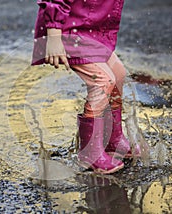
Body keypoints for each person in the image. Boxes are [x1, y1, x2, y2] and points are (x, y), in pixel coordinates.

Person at [32, 0, 141, 174]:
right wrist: (53, 36)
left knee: (118, 74)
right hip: (68, 32)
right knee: (102, 80)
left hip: (92, 30)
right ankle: (90, 152)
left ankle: (113, 138)